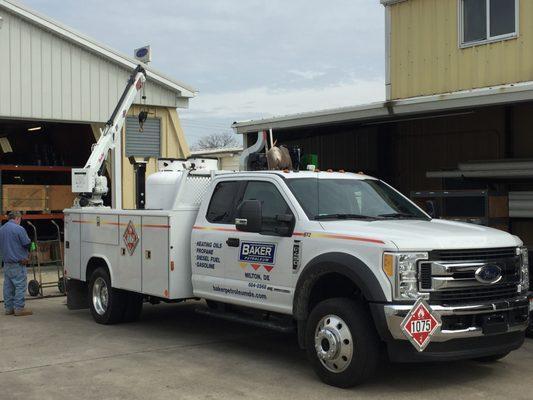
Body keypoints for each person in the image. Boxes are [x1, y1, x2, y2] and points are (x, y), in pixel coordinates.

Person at [0, 211, 32, 316]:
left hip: (7, 263)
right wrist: (32, 249)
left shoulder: (2, 229)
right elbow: (27, 244)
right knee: (20, 286)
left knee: (8, 286)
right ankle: (19, 308)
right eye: (20, 219)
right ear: (17, 218)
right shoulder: (19, 229)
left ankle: (8, 308)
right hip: (18, 263)